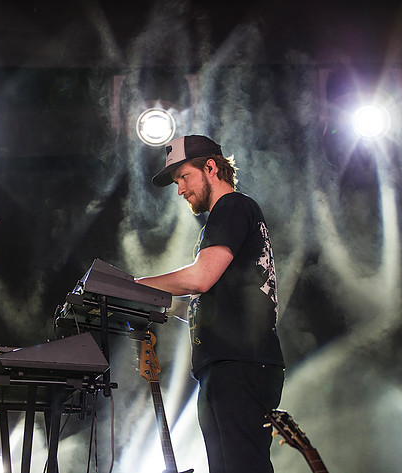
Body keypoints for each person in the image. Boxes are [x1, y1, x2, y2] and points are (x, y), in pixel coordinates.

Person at [135, 135, 284, 473]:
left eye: (184, 177)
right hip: (228, 363)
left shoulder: (232, 206)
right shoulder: (227, 217)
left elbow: (199, 279)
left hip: (241, 363)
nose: (180, 191)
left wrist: (133, 287)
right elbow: (210, 297)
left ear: (211, 168)